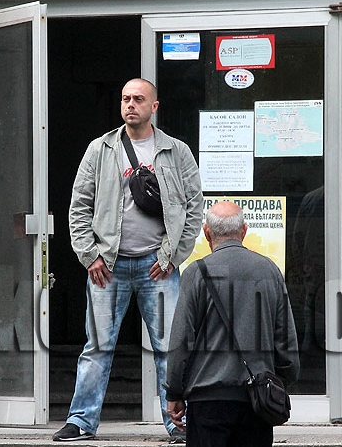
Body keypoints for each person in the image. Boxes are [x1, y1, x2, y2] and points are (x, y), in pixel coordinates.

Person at [54, 78, 203, 444]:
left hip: (158, 266)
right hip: (108, 266)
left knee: (170, 347)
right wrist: (89, 256)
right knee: (97, 347)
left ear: (154, 106)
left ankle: (177, 424)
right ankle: (81, 421)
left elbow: (194, 209)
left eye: (138, 99)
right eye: (125, 99)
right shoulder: (100, 149)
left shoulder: (176, 151)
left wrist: (171, 256)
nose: (130, 104)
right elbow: (79, 208)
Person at [163, 201, 300, 447]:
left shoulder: (196, 273)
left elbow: (182, 339)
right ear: (244, 231)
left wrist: (174, 391)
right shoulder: (269, 270)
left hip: (207, 401)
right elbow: (285, 338)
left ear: (206, 233)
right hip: (256, 400)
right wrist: (282, 381)